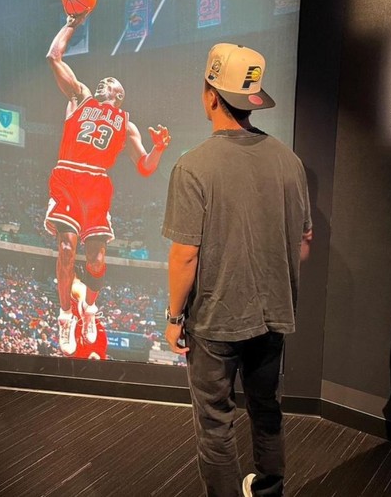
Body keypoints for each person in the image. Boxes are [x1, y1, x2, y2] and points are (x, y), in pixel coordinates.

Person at [162, 43, 313, 497]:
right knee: (267, 410)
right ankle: (268, 491)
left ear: (211, 95)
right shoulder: (289, 161)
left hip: (215, 321)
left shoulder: (192, 166)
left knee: (215, 422)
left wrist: (174, 317)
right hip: (273, 316)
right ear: (252, 99)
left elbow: (185, 255)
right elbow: (303, 245)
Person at [45, 10, 171, 357]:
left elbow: (145, 167)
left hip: (97, 185)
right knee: (66, 249)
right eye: (103, 80)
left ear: (119, 95)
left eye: (111, 82)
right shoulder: (80, 97)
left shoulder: (127, 124)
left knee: (97, 260)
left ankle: (89, 308)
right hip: (69, 175)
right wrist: (70, 24)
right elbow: (54, 57)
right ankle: (66, 315)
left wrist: (159, 149)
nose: (104, 82)